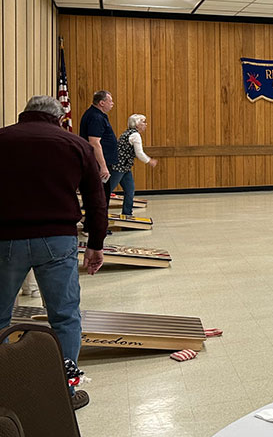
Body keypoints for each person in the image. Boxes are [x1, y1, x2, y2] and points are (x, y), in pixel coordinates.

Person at [0, 95, 106, 411]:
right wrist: (96, 244)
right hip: (58, 239)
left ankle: (5, 389)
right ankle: (66, 388)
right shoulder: (74, 145)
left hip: (6, 239)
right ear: (59, 116)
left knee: (2, 315)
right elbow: (96, 200)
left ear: (24, 114)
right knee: (64, 315)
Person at [108, 114, 158, 216]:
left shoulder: (128, 133)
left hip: (125, 168)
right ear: (136, 124)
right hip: (118, 167)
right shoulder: (135, 135)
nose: (146, 124)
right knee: (106, 191)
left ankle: (127, 213)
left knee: (130, 190)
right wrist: (149, 161)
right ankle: (97, 213)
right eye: (143, 122)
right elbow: (139, 153)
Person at [79, 90, 116, 205]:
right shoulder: (96, 117)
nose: (112, 103)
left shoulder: (98, 115)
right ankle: (98, 221)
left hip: (102, 161)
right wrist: (103, 166)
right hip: (98, 162)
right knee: (100, 196)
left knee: (103, 194)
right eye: (110, 101)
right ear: (101, 103)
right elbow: (94, 142)